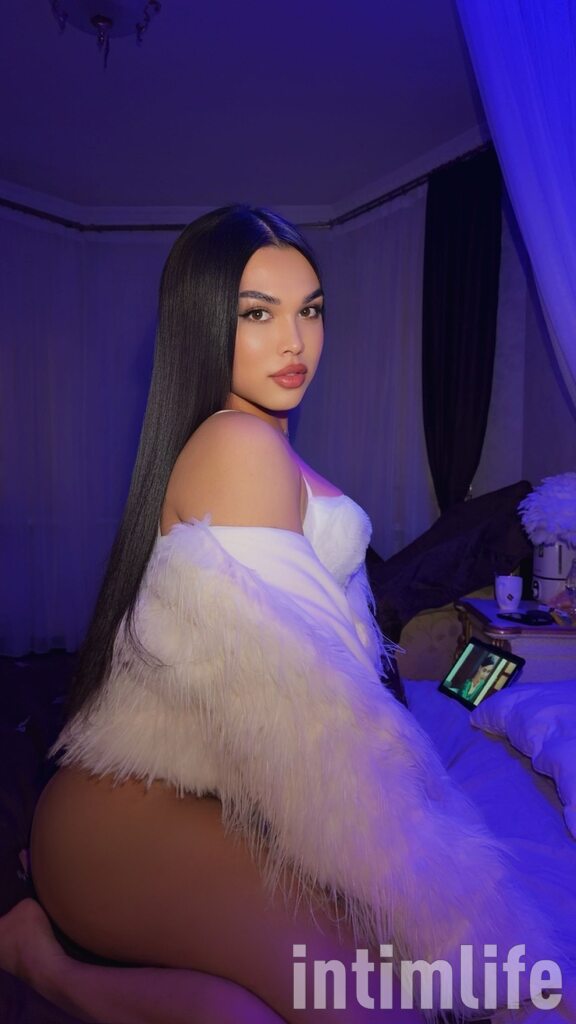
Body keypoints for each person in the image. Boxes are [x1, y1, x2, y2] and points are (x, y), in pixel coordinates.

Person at [0, 206, 565, 1024]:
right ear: (204, 324)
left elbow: (320, 660)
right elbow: (315, 730)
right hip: (120, 821)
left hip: (192, 803)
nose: (295, 341)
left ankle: (44, 956)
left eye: (311, 309)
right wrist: (481, 935)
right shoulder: (239, 445)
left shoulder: (258, 441)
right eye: (258, 314)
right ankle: (47, 967)